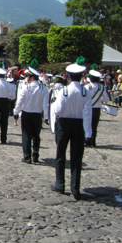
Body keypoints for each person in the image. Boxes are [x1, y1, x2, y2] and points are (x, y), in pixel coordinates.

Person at [51, 58, 92, 200]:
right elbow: (88, 115)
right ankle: (75, 188)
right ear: (81, 76)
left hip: (64, 124)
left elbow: (57, 110)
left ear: (68, 76)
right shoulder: (86, 93)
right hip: (79, 126)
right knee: (76, 157)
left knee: (61, 155)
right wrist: (89, 134)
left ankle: (60, 184)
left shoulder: (64, 91)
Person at [14, 65, 49, 164]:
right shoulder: (44, 89)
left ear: (32, 77)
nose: (26, 78)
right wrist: (46, 117)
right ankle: (35, 156)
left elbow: (20, 102)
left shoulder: (25, 88)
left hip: (26, 114)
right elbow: (45, 105)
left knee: (26, 136)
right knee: (36, 136)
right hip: (37, 115)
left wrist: (16, 112)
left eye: (27, 76)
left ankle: (27, 156)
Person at [85, 66, 109, 147]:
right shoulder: (101, 87)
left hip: (87, 108)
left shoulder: (87, 87)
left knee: (87, 124)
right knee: (94, 126)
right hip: (97, 109)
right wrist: (100, 99)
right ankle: (93, 142)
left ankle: (87, 140)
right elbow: (106, 98)